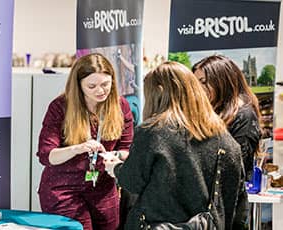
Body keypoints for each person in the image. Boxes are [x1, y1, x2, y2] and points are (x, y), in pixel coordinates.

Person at [104, 61, 243, 230]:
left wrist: (116, 168)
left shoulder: (152, 132)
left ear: (159, 92)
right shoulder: (224, 138)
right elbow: (234, 194)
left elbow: (132, 182)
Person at [36, 53, 134, 230]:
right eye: (92, 86)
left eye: (105, 84)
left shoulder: (121, 106)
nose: (100, 90)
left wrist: (115, 155)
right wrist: (77, 148)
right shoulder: (60, 107)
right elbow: (46, 156)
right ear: (79, 85)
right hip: (63, 190)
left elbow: (127, 148)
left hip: (103, 189)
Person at [192, 54, 262, 229]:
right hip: (205, 204)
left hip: (226, 207)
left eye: (203, 81)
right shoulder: (211, 113)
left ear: (221, 80)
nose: (198, 88)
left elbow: (235, 167)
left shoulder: (244, 115)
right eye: (196, 82)